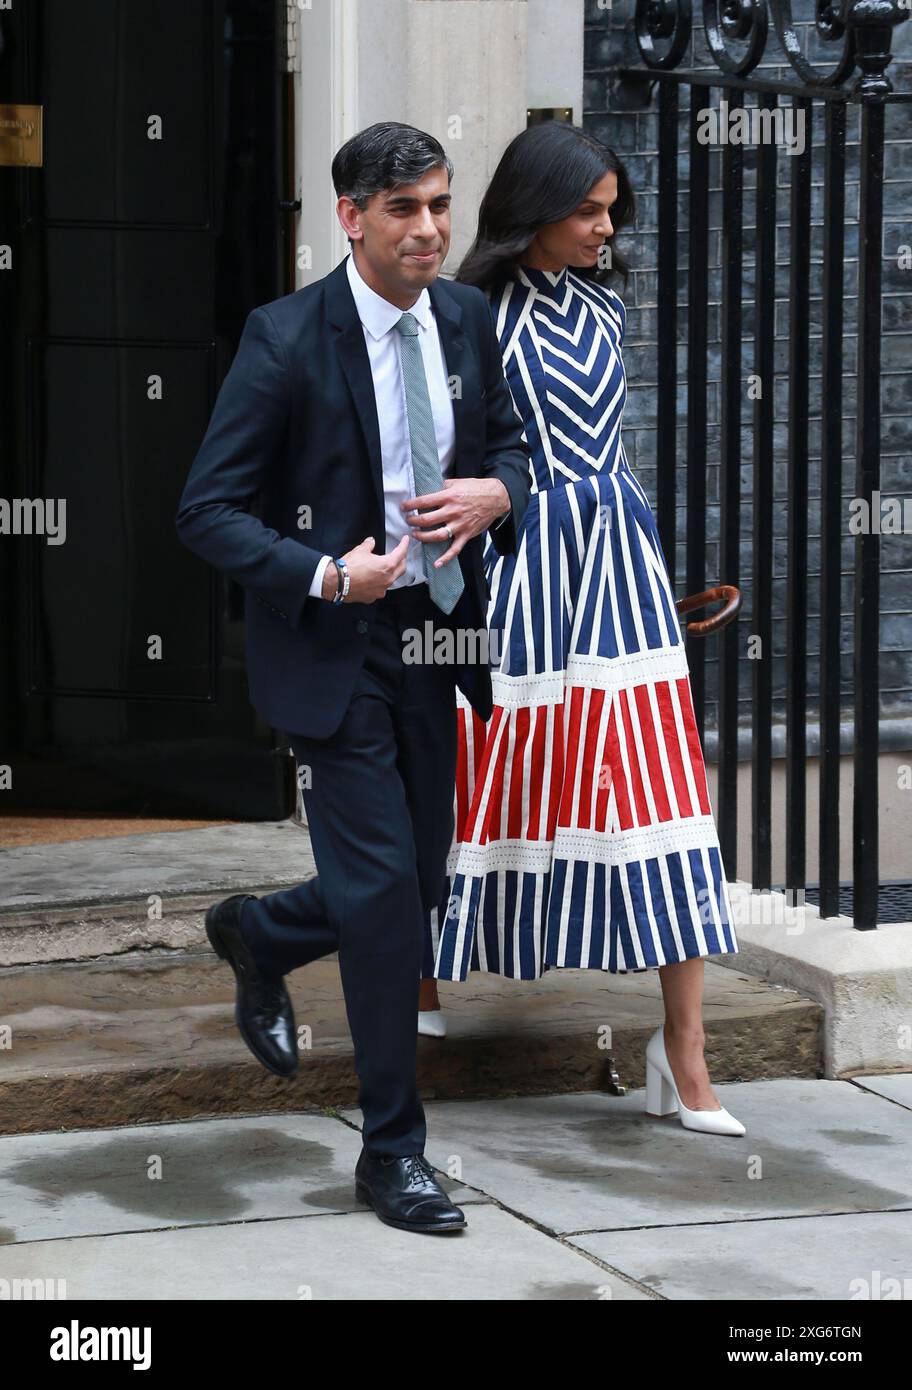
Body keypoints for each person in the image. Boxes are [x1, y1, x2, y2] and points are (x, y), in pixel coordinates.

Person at [175, 121, 532, 1232]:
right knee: (383, 902)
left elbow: (513, 446)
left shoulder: (469, 318)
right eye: (404, 210)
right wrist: (328, 575)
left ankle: (262, 931)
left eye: (439, 204)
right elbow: (206, 511)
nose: (430, 229)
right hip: (338, 647)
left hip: (439, 643)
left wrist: (497, 495)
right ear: (351, 218)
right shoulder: (284, 340)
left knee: (410, 890)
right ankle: (393, 1152)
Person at [421, 122, 744, 1138]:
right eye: (588, 209)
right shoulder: (467, 316)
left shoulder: (604, 303)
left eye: (613, 209)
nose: (607, 227)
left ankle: (683, 1051)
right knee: (484, 765)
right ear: (534, 210)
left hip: (618, 566)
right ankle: (422, 978)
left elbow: (611, 443)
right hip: (518, 567)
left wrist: (638, 550)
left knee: (661, 782)